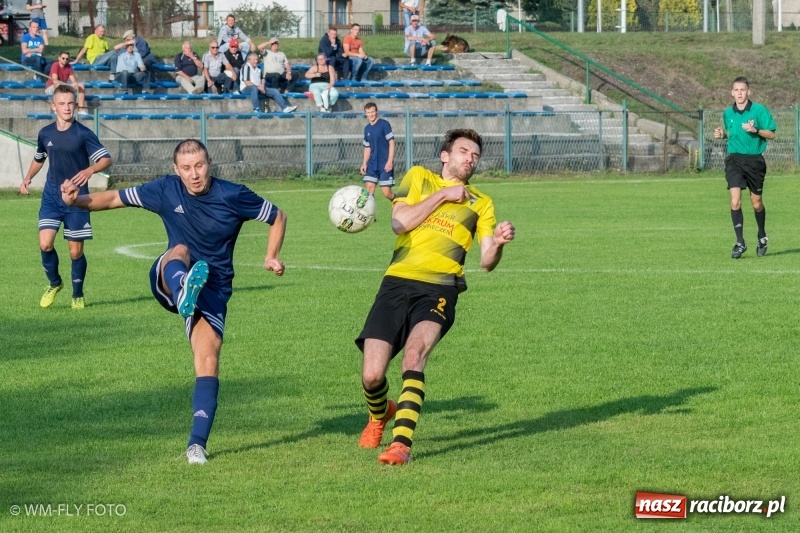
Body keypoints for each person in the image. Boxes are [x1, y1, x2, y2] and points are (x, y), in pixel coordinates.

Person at [59, 139, 287, 465]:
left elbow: (278, 216)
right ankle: (183, 291)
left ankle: (196, 446)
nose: (194, 174)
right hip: (170, 276)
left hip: (214, 290)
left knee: (208, 359)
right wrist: (76, 200)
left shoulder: (233, 195)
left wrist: (271, 256)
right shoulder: (165, 189)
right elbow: (111, 198)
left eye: (200, 166)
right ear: (175, 169)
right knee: (179, 250)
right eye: (186, 168)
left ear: (210, 163)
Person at [355, 128, 515, 465]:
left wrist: (497, 245)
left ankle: (401, 445)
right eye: (463, 151)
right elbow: (399, 223)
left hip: (441, 288)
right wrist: (444, 196)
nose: (470, 159)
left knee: (414, 356)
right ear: (445, 155)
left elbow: (486, 262)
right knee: (372, 375)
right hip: (397, 282)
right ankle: (380, 414)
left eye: (475, 155)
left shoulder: (481, 203)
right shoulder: (419, 177)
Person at [18, 85, 113, 310]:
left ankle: (77, 294)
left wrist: (90, 170)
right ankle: (54, 283)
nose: (67, 107)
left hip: (77, 199)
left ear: (76, 105)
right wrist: (27, 178)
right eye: (62, 103)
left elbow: (106, 159)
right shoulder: (45, 133)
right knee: (45, 243)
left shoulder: (83, 134)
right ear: (54, 107)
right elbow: (39, 157)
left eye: (71, 103)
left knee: (75, 251)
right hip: (52, 197)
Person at [714, 76, 777, 259]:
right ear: (732, 92)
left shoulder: (759, 110)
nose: (739, 93)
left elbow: (771, 134)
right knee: (735, 201)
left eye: (743, 90)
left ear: (748, 92)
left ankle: (762, 235)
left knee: (756, 204)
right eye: (736, 90)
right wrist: (722, 135)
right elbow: (730, 134)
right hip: (734, 160)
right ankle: (740, 242)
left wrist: (755, 130)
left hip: (754, 161)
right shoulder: (727, 113)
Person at [360, 102, 395, 201]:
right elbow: (367, 148)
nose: (371, 114)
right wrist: (364, 163)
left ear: (377, 112)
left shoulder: (384, 125)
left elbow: (392, 143)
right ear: (365, 113)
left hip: (384, 164)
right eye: (368, 112)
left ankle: (400, 203)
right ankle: (370, 216)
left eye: (373, 112)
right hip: (372, 164)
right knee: (368, 191)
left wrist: (390, 161)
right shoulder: (367, 129)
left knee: (387, 193)